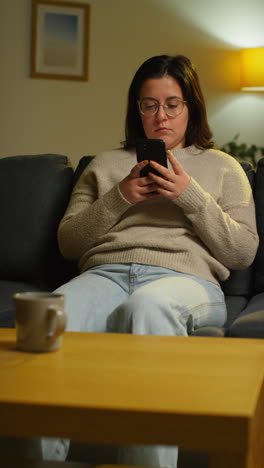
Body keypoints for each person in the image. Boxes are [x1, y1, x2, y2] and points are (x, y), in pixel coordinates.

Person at [45, 54, 258, 467]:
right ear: (136, 109)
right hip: (105, 274)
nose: (161, 116)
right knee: (55, 314)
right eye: (149, 104)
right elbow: (69, 244)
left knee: (147, 306)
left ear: (191, 107)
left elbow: (242, 252)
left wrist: (188, 195)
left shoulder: (224, 167)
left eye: (173, 103)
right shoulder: (105, 165)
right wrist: (120, 195)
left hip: (185, 280)